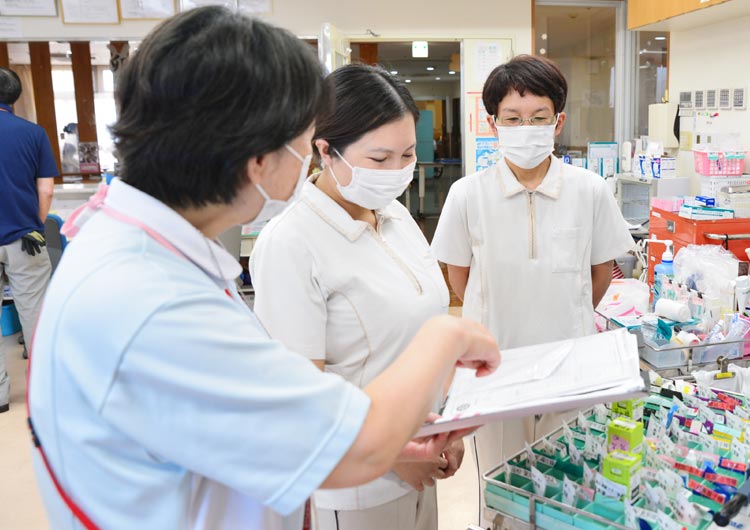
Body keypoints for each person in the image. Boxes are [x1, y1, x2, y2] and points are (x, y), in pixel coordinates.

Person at [27, 8, 500, 530]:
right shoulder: (148, 300)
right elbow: (351, 448)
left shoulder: (141, 250)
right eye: (305, 137)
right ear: (258, 157)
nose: (309, 155)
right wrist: (447, 337)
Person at [250, 64, 459, 530]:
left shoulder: (396, 217)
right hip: (359, 484)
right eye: (380, 159)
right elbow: (301, 396)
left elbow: (420, 335)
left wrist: (445, 426)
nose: (398, 172)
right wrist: (393, 456)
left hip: (424, 452)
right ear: (325, 150)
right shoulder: (292, 242)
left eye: (407, 154)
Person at [430, 54, 634, 522]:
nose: (527, 128)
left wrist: (568, 310)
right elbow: (458, 277)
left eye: (539, 118)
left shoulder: (590, 190)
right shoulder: (467, 194)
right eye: (514, 119)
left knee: (571, 489)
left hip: (573, 370)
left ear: (557, 122)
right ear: (493, 123)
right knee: (503, 494)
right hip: (495, 373)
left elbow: (600, 272)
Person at [0, 67, 57, 413]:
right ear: (16, 97)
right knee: (36, 317)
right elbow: (46, 189)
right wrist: (32, 224)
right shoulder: (34, 134)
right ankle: (43, 392)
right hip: (25, 240)